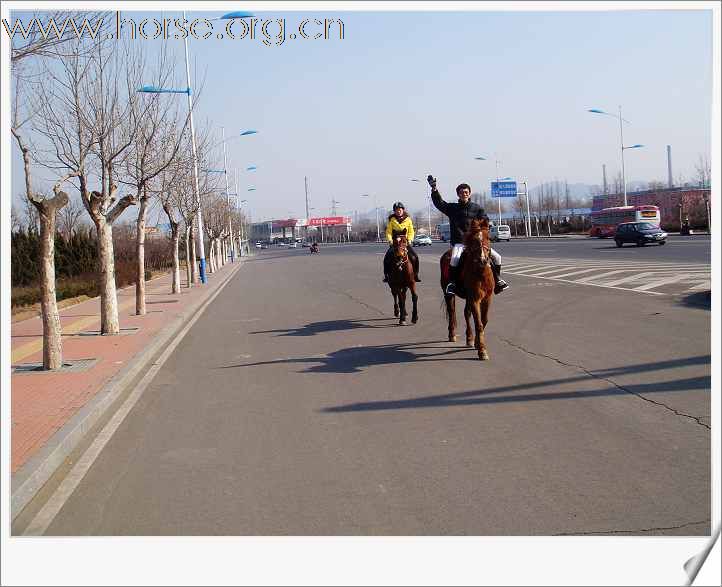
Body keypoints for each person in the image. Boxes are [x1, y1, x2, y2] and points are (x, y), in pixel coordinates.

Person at [428, 175, 509, 296]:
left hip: (476, 243)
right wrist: (434, 189)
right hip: (459, 243)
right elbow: (439, 203)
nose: (464, 194)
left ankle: (497, 280)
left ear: (470, 193)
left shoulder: (477, 208)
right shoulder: (452, 208)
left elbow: (485, 221)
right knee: (454, 260)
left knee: (497, 257)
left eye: (466, 192)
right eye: (461, 192)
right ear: (458, 195)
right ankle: (452, 283)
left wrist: (485, 228)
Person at [382, 202, 421, 283]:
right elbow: (388, 232)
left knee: (414, 257)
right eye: (396, 210)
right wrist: (390, 241)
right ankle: (386, 275)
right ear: (394, 211)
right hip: (395, 243)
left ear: (403, 210)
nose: (398, 211)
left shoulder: (408, 219)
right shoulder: (392, 220)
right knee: (387, 258)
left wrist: (409, 240)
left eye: (400, 209)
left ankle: (416, 275)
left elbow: (411, 231)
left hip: (405, 243)